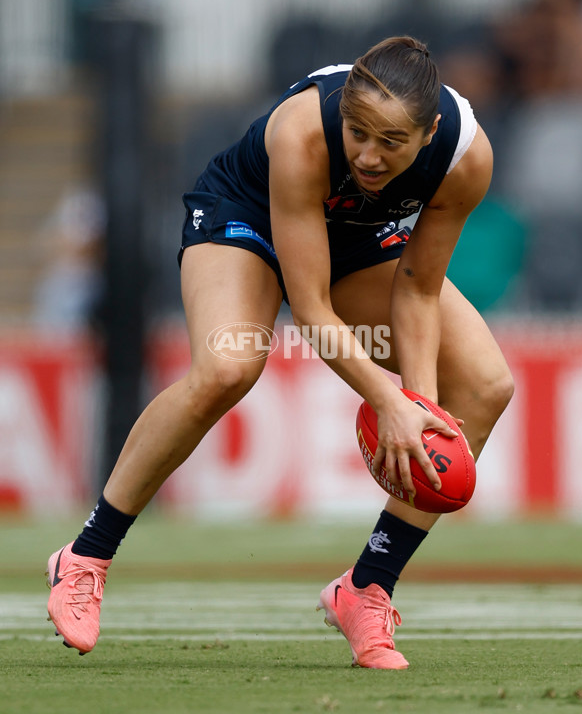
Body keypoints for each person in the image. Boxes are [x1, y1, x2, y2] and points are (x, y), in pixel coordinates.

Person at [46, 36, 514, 669]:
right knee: (230, 366)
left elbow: (418, 287)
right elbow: (312, 308)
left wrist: (418, 406)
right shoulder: (303, 134)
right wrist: (385, 398)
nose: (370, 156)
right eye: (358, 133)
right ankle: (86, 555)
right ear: (342, 111)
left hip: (362, 239)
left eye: (391, 143)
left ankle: (367, 587)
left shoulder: (465, 160)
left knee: (486, 385)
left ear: (430, 132)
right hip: (248, 217)